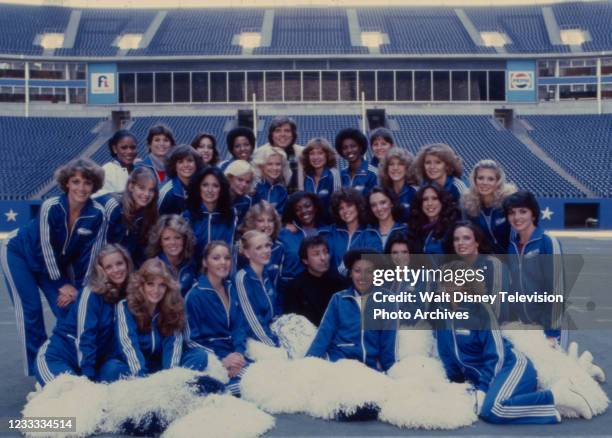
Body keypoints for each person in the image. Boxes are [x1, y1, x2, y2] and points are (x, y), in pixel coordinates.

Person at [435, 260, 592, 424]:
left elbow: (496, 355)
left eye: (457, 281)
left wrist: (482, 390)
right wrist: (457, 385)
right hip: (491, 378)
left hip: (511, 366)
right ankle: (548, 409)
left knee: (493, 410)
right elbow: (447, 355)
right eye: (447, 281)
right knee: (488, 410)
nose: (451, 286)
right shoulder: (441, 315)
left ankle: (557, 395)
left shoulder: (481, 311)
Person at [0, 158, 105, 376]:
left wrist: (78, 289)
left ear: (94, 185)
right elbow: (43, 249)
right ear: (66, 183)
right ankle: (37, 371)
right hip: (19, 255)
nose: (81, 188)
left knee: (69, 310)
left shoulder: (97, 213)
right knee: (31, 311)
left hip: (52, 267)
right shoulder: (51, 206)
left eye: (87, 183)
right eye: (75, 182)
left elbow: (91, 256)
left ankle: (66, 360)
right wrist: (61, 284)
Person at [35, 245, 133, 386]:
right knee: (76, 396)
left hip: (98, 362)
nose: (116, 270)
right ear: (101, 270)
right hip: (59, 357)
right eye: (109, 267)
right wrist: (88, 377)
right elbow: (85, 337)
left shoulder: (131, 294)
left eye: (119, 263)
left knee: (119, 372)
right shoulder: (91, 293)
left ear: (127, 264)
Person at [306, 249, 398, 372]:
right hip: (338, 364)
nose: (363, 277)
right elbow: (324, 335)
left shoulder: (387, 301)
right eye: (357, 271)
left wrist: (390, 371)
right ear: (350, 273)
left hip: (369, 368)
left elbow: (388, 343)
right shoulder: (339, 299)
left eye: (369, 271)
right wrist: (307, 364)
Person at [98, 258, 185, 382]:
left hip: (157, 367)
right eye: (150, 284)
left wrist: (169, 379)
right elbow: (128, 344)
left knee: (198, 357)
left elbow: (173, 344)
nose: (156, 291)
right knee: (111, 369)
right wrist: (141, 378)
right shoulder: (125, 306)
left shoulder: (172, 308)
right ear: (141, 285)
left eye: (162, 285)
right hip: (130, 366)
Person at [184, 241, 248, 396]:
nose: (223, 262)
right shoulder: (195, 295)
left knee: (260, 377)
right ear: (205, 262)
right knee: (245, 386)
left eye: (227, 258)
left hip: (232, 353)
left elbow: (239, 327)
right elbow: (191, 340)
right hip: (210, 356)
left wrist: (238, 355)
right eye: (216, 258)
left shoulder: (232, 289)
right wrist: (222, 359)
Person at [503, 191, 566, 346]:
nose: (517, 217)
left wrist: (552, 333)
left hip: (548, 329)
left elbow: (557, 289)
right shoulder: (511, 246)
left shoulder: (547, 242)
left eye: (523, 211)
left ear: (533, 214)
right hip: (523, 326)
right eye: (512, 213)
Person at [446, 221, 509, 320]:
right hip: (465, 327)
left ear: (477, 242)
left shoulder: (493, 265)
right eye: (456, 239)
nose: (460, 243)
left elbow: (497, 310)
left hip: (492, 329)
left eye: (466, 238)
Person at [285, 235, 349, 326]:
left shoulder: (340, 282)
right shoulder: (295, 286)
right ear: (305, 260)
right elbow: (291, 322)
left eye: (325, 252)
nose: (323, 258)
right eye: (316, 254)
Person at [103, 167, 159, 267]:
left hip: (123, 268)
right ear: (131, 186)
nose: (146, 194)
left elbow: (140, 252)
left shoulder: (147, 215)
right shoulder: (114, 206)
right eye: (142, 188)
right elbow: (97, 247)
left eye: (151, 190)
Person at [461, 160, 517, 254]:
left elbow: (516, 238)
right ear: (474, 180)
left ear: (498, 181)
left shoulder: (509, 202)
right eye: (480, 178)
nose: (484, 182)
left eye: (490, 179)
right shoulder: (468, 204)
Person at [235, 231, 280, 347]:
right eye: (259, 248)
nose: (266, 251)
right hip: (252, 338)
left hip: (270, 331)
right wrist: (272, 344)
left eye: (267, 245)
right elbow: (251, 320)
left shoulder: (267, 274)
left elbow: (273, 311)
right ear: (247, 253)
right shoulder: (242, 278)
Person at [183, 167, 237, 261]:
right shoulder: (187, 216)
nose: (210, 190)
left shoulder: (231, 214)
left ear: (221, 189)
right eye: (205, 185)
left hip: (221, 269)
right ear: (198, 187)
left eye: (215, 186)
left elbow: (230, 249)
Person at [278, 192, 325, 301]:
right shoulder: (285, 234)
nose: (304, 211)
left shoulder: (327, 231)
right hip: (291, 291)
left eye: (307, 206)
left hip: (320, 289)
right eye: (298, 209)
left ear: (315, 207)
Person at [322, 188, 372, 275]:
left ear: (358, 206)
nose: (345, 211)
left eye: (349, 205)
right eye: (341, 208)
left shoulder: (369, 232)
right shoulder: (330, 232)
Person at [236, 201, 284, 288]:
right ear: (252, 223)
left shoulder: (279, 247)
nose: (266, 225)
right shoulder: (242, 246)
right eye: (261, 221)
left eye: (270, 220)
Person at [146, 215, 196, 297]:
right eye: (166, 239)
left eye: (177, 237)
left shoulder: (190, 263)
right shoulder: (153, 267)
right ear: (160, 242)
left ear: (184, 239)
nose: (172, 242)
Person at [408, 185, 459, 258]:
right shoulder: (416, 228)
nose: (430, 203)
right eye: (425, 199)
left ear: (442, 201)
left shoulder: (452, 229)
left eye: (435, 198)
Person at [300, 137, 341, 220]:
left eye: (320, 153)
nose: (316, 157)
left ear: (327, 155)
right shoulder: (307, 176)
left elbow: (338, 204)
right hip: (311, 224)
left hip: (329, 225)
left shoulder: (333, 174)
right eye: (312, 153)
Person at [261, 116, 304, 193]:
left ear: (293, 134)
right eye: (278, 131)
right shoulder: (261, 153)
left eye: (287, 131)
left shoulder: (302, 152)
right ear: (272, 135)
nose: (283, 134)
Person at [158, 145, 204, 216]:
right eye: (180, 162)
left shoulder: (200, 187)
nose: (186, 165)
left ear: (196, 164)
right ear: (174, 166)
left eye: (190, 160)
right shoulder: (167, 193)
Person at [363, 187, 407, 252]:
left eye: (383, 202)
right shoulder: (365, 234)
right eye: (373, 205)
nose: (379, 208)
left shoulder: (405, 231)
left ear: (391, 203)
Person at [335, 128, 377, 196]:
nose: (349, 150)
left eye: (353, 146)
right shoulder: (342, 174)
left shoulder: (373, 173)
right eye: (345, 147)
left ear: (360, 147)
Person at [378, 147, 416, 222]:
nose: (395, 168)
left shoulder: (415, 193)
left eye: (400, 164)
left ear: (407, 168)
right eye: (391, 164)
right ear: (386, 168)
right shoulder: (381, 193)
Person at [96, 130, 139, 196]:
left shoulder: (142, 169)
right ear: (115, 149)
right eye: (124, 148)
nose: (129, 151)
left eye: (133, 147)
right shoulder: (107, 171)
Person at [252, 145, 291, 215]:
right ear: (262, 166)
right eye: (269, 164)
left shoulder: (282, 190)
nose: (274, 168)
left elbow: (282, 215)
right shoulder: (255, 186)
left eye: (278, 164)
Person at [224, 160, 255, 226]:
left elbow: (241, 225)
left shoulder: (246, 201)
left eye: (247, 182)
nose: (244, 184)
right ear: (230, 178)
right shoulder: (217, 196)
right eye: (240, 180)